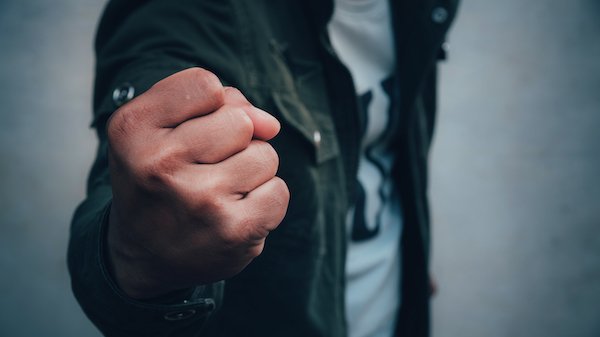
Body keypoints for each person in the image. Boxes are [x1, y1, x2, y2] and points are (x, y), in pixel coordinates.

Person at [68, 0, 459, 336]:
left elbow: (390, 146)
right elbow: (136, 180)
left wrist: (405, 258)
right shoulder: (192, 12)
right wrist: (138, 254)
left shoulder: (417, 8)